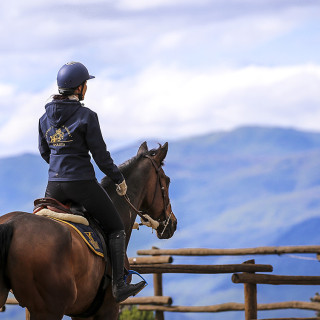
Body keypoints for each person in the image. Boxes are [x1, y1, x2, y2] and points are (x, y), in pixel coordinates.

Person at [38, 61, 145, 303]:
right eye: (86, 84)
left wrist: (60, 169)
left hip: (53, 186)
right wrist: (118, 179)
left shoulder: (44, 118)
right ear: (80, 88)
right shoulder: (87, 116)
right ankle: (118, 285)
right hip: (82, 185)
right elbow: (100, 156)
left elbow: (45, 152)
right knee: (116, 227)